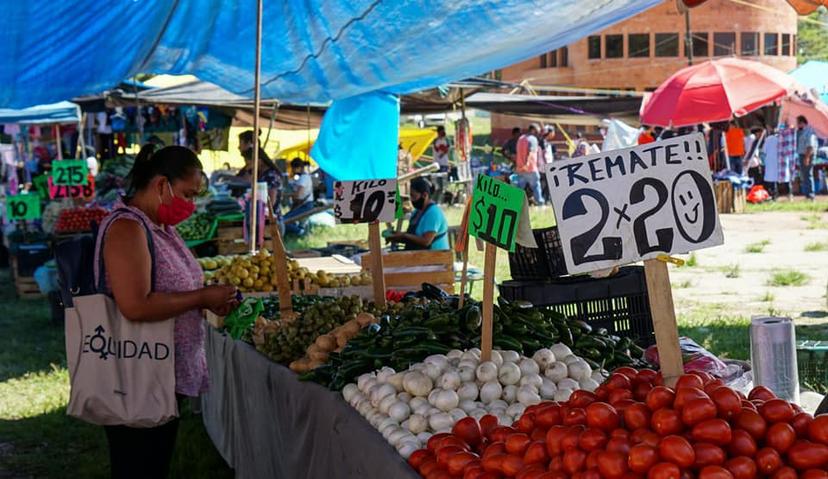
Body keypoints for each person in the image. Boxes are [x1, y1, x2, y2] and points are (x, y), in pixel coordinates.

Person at [95, 144, 237, 479]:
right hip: (136, 375)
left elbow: (173, 289)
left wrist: (205, 299)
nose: (192, 204)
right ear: (162, 185)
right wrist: (200, 297)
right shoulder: (127, 229)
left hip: (161, 373)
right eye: (188, 193)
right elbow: (134, 304)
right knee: (139, 466)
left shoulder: (159, 227)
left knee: (154, 464)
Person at [386, 177, 448, 250]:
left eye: (414, 196)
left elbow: (426, 241)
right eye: (410, 196)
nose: (411, 200)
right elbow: (414, 238)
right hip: (418, 255)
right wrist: (396, 237)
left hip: (434, 257)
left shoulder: (433, 212)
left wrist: (404, 235)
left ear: (424, 195)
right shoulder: (417, 212)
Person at [236, 129, 282, 213]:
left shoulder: (271, 175)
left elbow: (271, 201)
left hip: (270, 221)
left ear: (259, 160)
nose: (238, 147)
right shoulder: (255, 172)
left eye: (240, 143)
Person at [284, 158, 315, 235]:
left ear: (298, 168)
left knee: (284, 220)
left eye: (293, 168)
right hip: (301, 204)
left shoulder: (304, 178)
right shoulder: (301, 177)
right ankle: (298, 229)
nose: (293, 170)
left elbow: (298, 194)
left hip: (305, 205)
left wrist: (284, 195)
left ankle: (300, 232)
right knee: (285, 219)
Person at [515, 124, 544, 205]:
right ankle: (540, 204)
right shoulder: (533, 139)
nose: (538, 133)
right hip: (530, 168)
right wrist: (527, 164)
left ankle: (516, 205)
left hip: (520, 168)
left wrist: (521, 165)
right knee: (536, 186)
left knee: (519, 189)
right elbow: (531, 152)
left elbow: (518, 152)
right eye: (537, 131)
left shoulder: (521, 138)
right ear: (533, 130)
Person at [796, 115, 819, 199]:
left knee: (808, 175)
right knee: (804, 175)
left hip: (807, 155)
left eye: (798, 123)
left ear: (802, 123)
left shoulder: (809, 131)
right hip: (802, 154)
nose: (797, 125)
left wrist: (807, 157)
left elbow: (810, 146)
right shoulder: (800, 131)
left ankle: (811, 195)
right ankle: (807, 195)